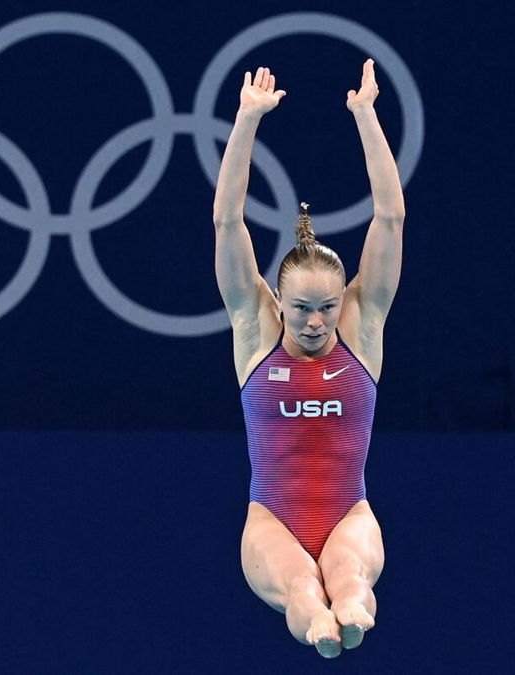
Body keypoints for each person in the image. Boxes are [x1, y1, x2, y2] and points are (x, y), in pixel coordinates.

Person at [211, 62, 405, 659]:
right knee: (302, 586)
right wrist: (245, 121)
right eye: (301, 309)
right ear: (276, 299)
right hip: (271, 518)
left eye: (326, 307)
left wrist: (366, 117)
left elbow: (391, 217)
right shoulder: (254, 327)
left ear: (344, 299)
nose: (316, 322)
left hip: (350, 511)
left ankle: (346, 611)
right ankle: (321, 625)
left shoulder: (362, 327)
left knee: (347, 577)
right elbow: (226, 221)